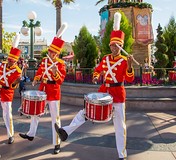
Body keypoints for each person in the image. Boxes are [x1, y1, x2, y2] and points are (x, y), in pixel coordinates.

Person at [54, 24, 134, 160]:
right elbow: (97, 70)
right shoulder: (106, 59)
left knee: (120, 126)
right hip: (104, 92)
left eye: (116, 45)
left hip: (118, 94)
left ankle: (122, 155)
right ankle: (66, 132)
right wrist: (96, 76)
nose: (114, 48)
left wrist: (130, 66)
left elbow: (130, 79)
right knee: (85, 112)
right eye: (112, 45)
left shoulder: (125, 61)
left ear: (121, 47)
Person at [19, 36, 66, 154]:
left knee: (55, 119)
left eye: (54, 52)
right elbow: (40, 72)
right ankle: (31, 134)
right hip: (43, 90)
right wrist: (36, 79)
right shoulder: (45, 61)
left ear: (57, 53)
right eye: (50, 51)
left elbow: (60, 81)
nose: (52, 53)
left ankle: (57, 143)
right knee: (36, 113)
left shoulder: (60, 64)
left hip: (54, 92)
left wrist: (55, 73)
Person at [0, 43, 22, 144]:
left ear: (15, 61)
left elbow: (13, 86)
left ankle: (10, 135)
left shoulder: (17, 71)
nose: (9, 62)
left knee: (7, 114)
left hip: (7, 92)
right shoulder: (3, 65)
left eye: (11, 61)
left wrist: (16, 82)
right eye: (9, 60)